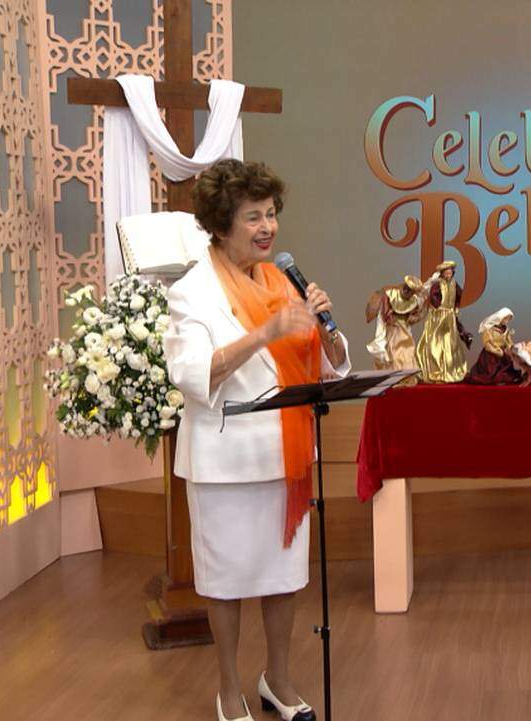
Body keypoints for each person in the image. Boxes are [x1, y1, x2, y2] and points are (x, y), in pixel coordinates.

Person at [163, 159, 350, 721]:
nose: (267, 227)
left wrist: (327, 335)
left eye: (271, 214)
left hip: (284, 457)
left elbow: (324, 367)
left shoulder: (282, 281)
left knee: (282, 577)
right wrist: (265, 332)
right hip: (224, 459)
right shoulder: (192, 292)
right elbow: (192, 373)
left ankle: (279, 681)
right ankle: (229, 689)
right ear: (222, 224)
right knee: (225, 581)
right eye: (253, 217)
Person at [415, 260, 472, 383]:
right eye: (447, 273)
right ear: (442, 273)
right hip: (438, 316)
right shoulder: (438, 284)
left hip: (449, 315)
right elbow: (433, 296)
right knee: (437, 340)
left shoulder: (454, 284)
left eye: (450, 273)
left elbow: (459, 295)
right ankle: (436, 369)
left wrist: (456, 307)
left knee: (451, 342)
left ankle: (450, 368)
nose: (449, 275)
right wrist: (438, 306)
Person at [365, 274, 425, 385]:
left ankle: (406, 376)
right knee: (393, 352)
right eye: (406, 288)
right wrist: (388, 316)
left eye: (411, 291)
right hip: (393, 329)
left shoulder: (414, 301)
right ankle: (393, 377)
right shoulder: (391, 294)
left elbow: (416, 314)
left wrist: (413, 318)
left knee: (407, 350)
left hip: (404, 329)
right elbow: (385, 310)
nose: (407, 291)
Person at [466, 307, 523, 385]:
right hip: (491, 355)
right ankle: (496, 378)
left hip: (503, 354)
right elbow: (487, 344)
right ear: (500, 317)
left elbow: (508, 341)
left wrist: (512, 348)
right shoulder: (489, 329)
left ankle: (503, 377)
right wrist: (496, 351)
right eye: (506, 318)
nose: (507, 321)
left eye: (508, 319)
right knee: (492, 371)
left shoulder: (505, 329)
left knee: (507, 369)